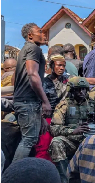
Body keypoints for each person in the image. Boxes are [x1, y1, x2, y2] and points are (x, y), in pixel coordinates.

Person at [48, 77, 95, 183]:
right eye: (78, 89)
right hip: (72, 141)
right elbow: (54, 128)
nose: (81, 92)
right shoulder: (64, 105)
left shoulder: (94, 105)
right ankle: (65, 178)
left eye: (84, 89)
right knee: (56, 143)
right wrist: (73, 131)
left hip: (90, 141)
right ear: (72, 90)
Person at [13, 23, 51, 162]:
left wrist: (39, 115)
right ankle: (14, 175)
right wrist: (45, 102)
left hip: (26, 102)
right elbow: (33, 75)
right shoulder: (33, 48)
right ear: (30, 35)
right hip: (27, 102)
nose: (43, 34)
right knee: (29, 140)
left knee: (29, 139)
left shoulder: (26, 49)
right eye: (39, 31)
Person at [34, 53, 69, 161]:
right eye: (59, 65)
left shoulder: (67, 80)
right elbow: (37, 102)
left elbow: (87, 80)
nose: (62, 68)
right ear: (52, 66)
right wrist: (42, 119)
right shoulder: (44, 83)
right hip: (47, 119)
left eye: (63, 65)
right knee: (44, 146)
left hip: (62, 119)